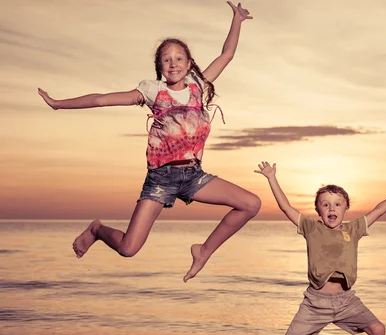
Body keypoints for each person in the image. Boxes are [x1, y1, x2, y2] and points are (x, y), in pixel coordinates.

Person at [37, 2, 260, 283]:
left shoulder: (198, 85)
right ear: (160, 67)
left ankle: (203, 250)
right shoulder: (152, 91)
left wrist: (237, 19)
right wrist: (58, 104)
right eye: (167, 59)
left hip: (193, 175)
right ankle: (96, 230)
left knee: (251, 204)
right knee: (129, 249)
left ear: (189, 63)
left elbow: (226, 55)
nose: (174, 63)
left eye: (179, 58)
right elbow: (101, 99)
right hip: (160, 179)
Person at [254, 161, 386, 335]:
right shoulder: (311, 227)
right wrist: (271, 177)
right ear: (317, 209)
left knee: (378, 330)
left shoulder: (354, 228)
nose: (332, 209)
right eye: (325, 205)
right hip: (315, 302)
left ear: (346, 208)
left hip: (346, 300)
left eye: (338, 204)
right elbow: (286, 207)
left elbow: (379, 209)